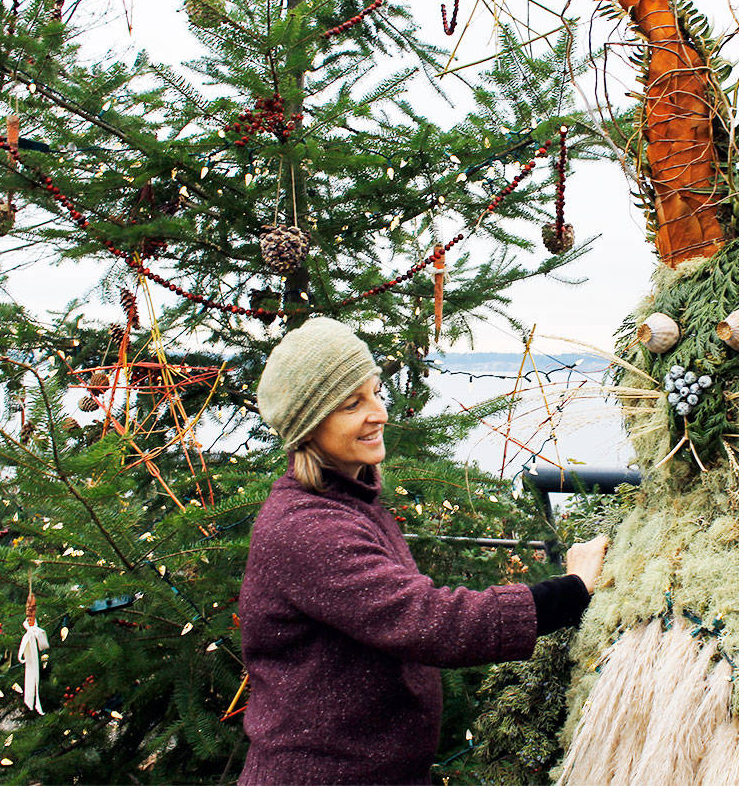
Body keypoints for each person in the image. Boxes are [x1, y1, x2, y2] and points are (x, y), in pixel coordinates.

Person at [237, 317, 607, 785]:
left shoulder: (349, 499)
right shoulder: (307, 528)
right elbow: (429, 621)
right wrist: (570, 592)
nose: (379, 413)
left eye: (376, 393)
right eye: (353, 404)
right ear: (308, 426)